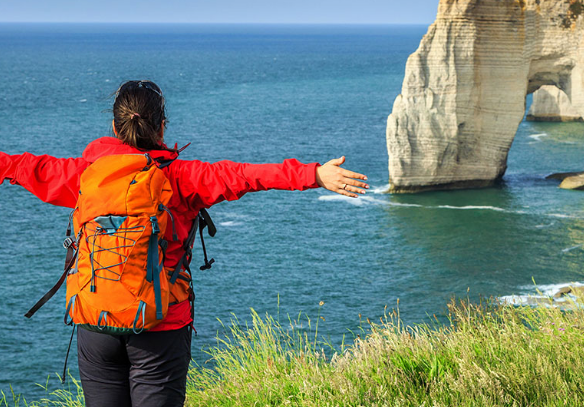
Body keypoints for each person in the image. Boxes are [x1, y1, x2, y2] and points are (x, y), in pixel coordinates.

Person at [0, 80, 368, 407]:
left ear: (114, 128)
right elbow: (246, 176)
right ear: (162, 128)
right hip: (161, 325)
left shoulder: (83, 175)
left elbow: (21, 166)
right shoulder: (182, 177)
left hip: (95, 323)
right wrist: (314, 174)